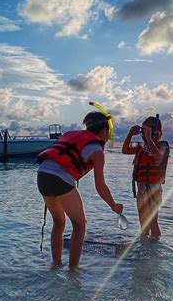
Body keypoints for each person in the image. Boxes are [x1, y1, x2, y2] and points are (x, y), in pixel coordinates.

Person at [36, 112, 123, 271]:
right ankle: (73, 270)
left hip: (42, 174)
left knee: (59, 222)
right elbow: (100, 186)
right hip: (60, 178)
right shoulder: (97, 150)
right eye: (109, 130)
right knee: (80, 225)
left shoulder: (70, 134)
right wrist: (114, 205)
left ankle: (56, 265)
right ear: (104, 130)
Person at [122, 115, 169, 239]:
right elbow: (125, 150)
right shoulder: (141, 148)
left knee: (153, 222)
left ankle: (155, 247)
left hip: (153, 190)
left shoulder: (162, 145)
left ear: (157, 133)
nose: (144, 135)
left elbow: (158, 156)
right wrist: (130, 134)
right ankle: (144, 246)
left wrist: (149, 138)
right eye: (143, 131)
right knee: (143, 223)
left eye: (147, 132)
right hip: (141, 190)